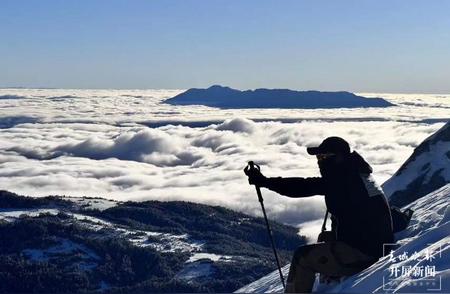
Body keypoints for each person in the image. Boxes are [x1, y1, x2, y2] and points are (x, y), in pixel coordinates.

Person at [244, 136, 394, 293]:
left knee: (302, 257)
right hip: (375, 244)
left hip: (366, 251)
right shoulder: (356, 174)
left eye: (323, 157)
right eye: (318, 157)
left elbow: (303, 186)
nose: (319, 161)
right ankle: (331, 281)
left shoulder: (344, 180)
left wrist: (265, 182)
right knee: (324, 238)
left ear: (338, 158)